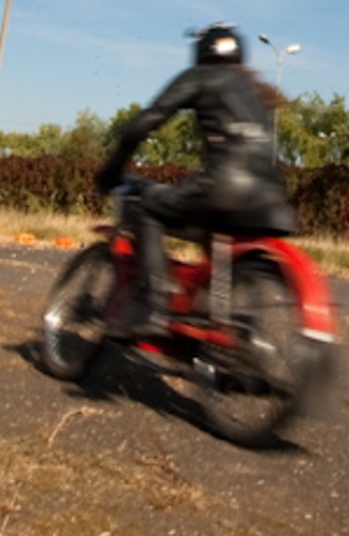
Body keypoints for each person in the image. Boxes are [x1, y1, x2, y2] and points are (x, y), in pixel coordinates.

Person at [94, 23, 299, 338]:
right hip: (271, 196)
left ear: (203, 49)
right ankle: (208, 317)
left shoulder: (201, 76)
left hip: (222, 187)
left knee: (144, 207)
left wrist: (112, 168)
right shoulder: (254, 90)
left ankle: (154, 308)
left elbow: (146, 122)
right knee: (211, 237)